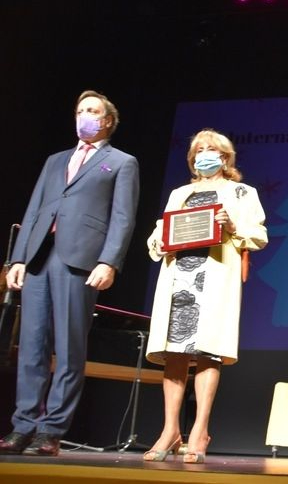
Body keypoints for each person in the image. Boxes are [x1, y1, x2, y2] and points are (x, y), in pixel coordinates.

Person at [0, 90, 140, 456]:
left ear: (107, 120)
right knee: (30, 346)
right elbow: (34, 210)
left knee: (68, 347)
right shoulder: (55, 160)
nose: (85, 116)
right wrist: (17, 259)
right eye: (80, 111)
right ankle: (23, 425)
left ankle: (51, 431)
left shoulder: (122, 162)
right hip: (39, 259)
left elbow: (123, 218)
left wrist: (109, 261)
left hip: (79, 261)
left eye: (92, 111)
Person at [143, 129, 267, 464]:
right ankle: (170, 430)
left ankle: (199, 430)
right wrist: (161, 241)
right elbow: (157, 236)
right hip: (178, 278)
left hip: (212, 278)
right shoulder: (179, 193)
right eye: (198, 149)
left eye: (211, 149)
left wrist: (231, 228)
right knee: (175, 353)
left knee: (209, 351)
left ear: (225, 157)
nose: (204, 154)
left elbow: (258, 234)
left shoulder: (241, 192)